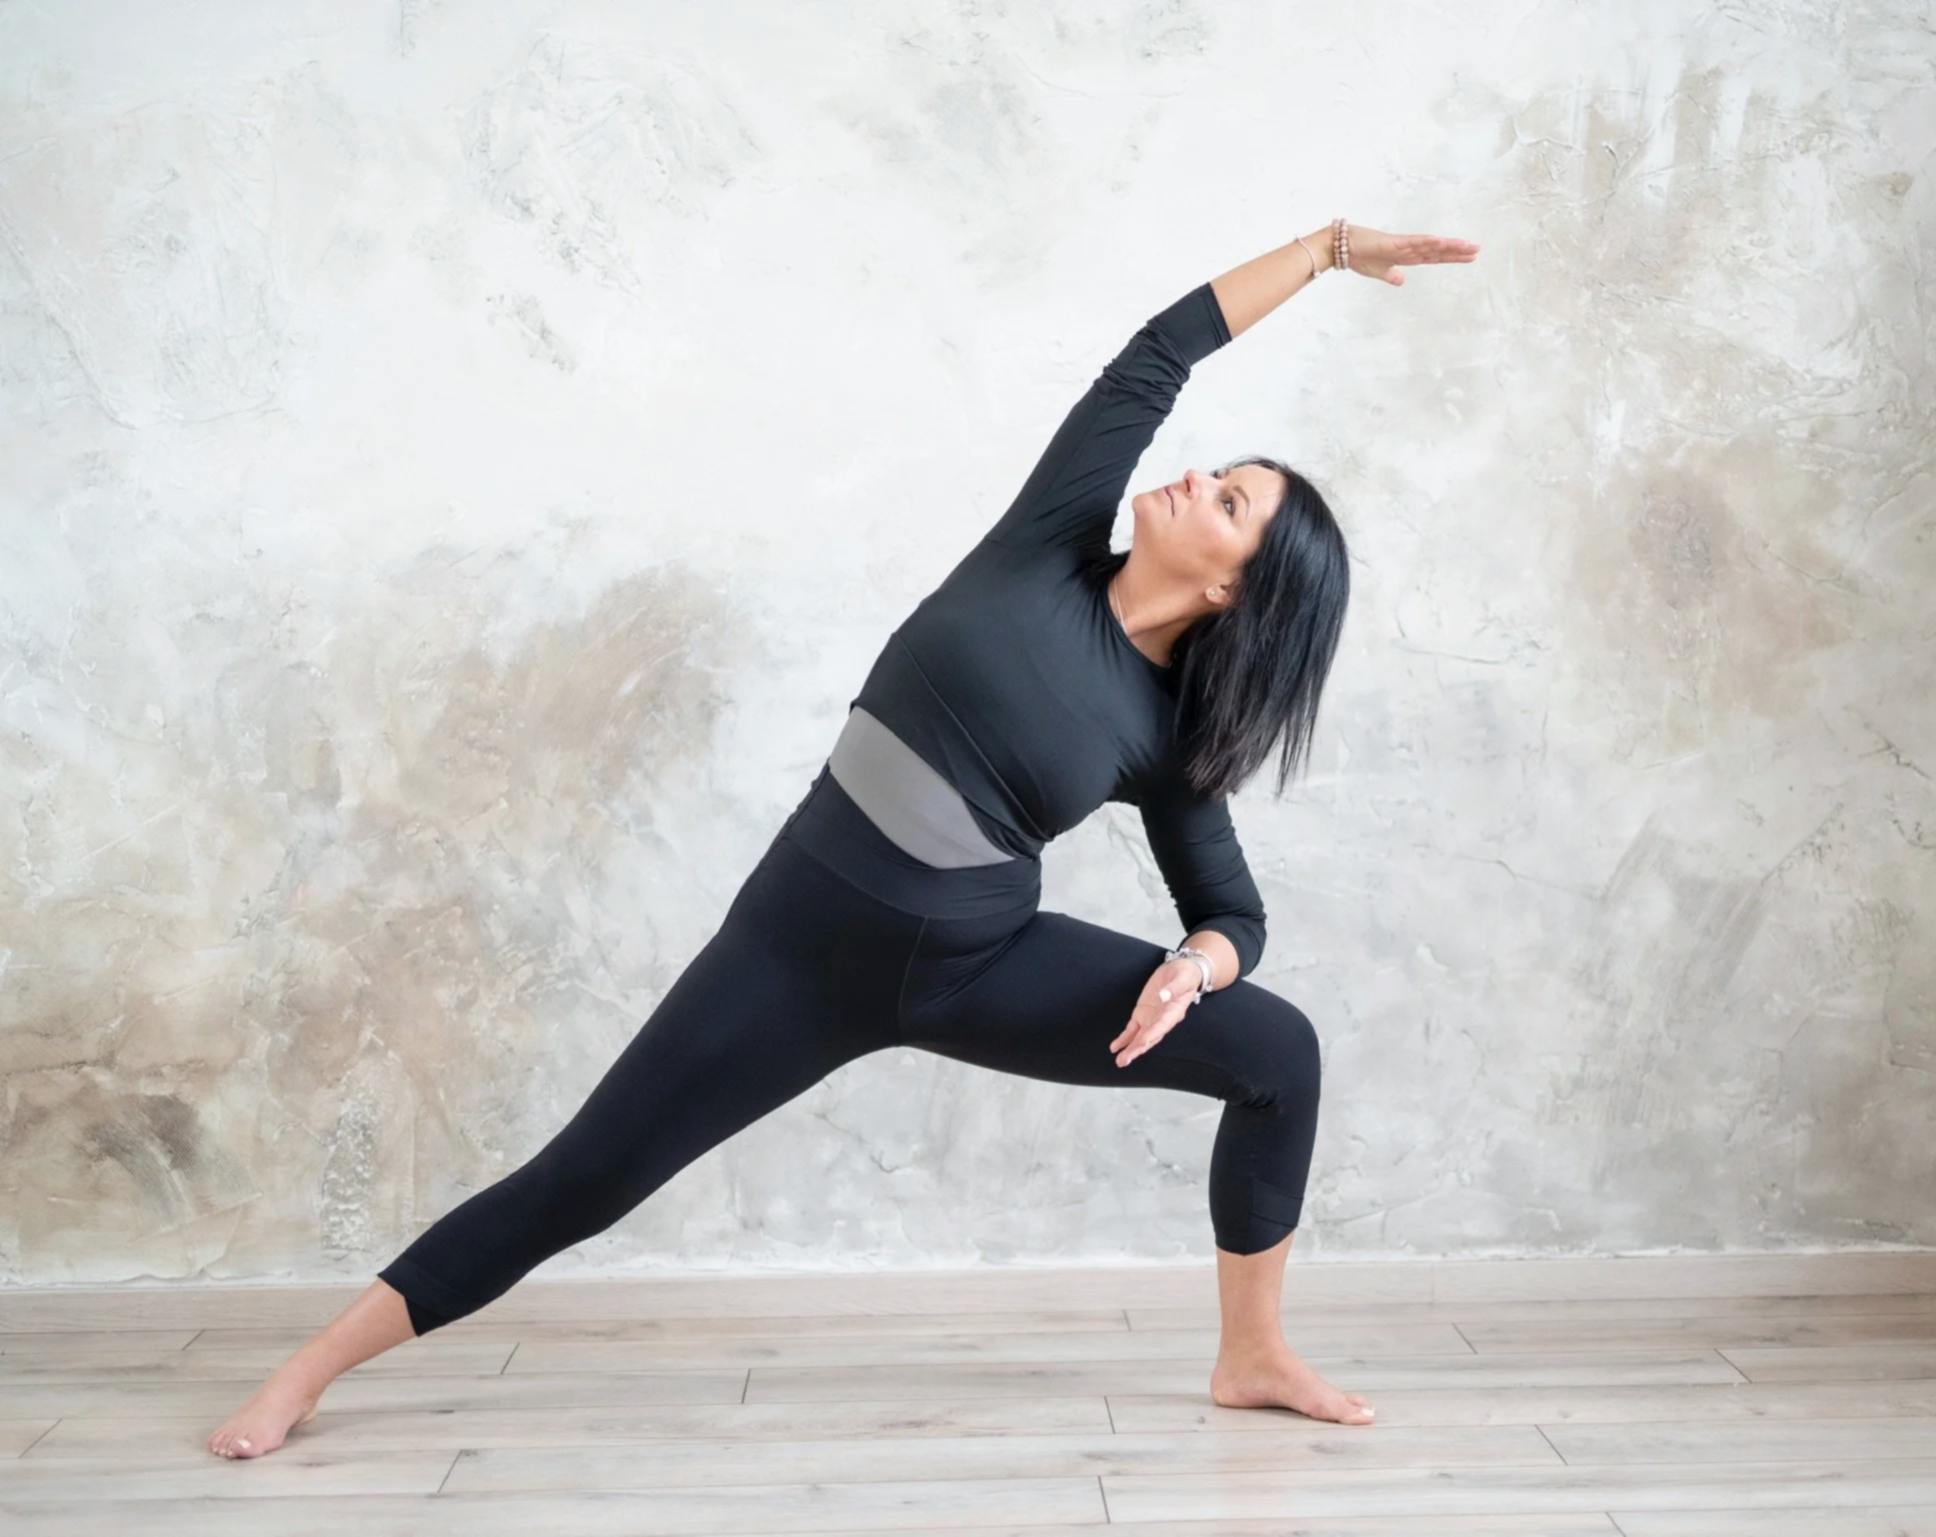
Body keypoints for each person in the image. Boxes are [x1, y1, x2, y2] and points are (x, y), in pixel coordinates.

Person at [208, 218, 1480, 1459]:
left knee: (1280, 1054)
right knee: (584, 1177)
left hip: (975, 963)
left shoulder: (1165, 732)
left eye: (1231, 498)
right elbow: (1157, 353)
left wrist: (1192, 967)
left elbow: (1235, 914)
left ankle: (1251, 1355)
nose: (1198, 474)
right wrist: (1320, 251)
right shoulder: (1047, 540)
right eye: (1220, 469)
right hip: (796, 943)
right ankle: (308, 1371)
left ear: (1231, 588)